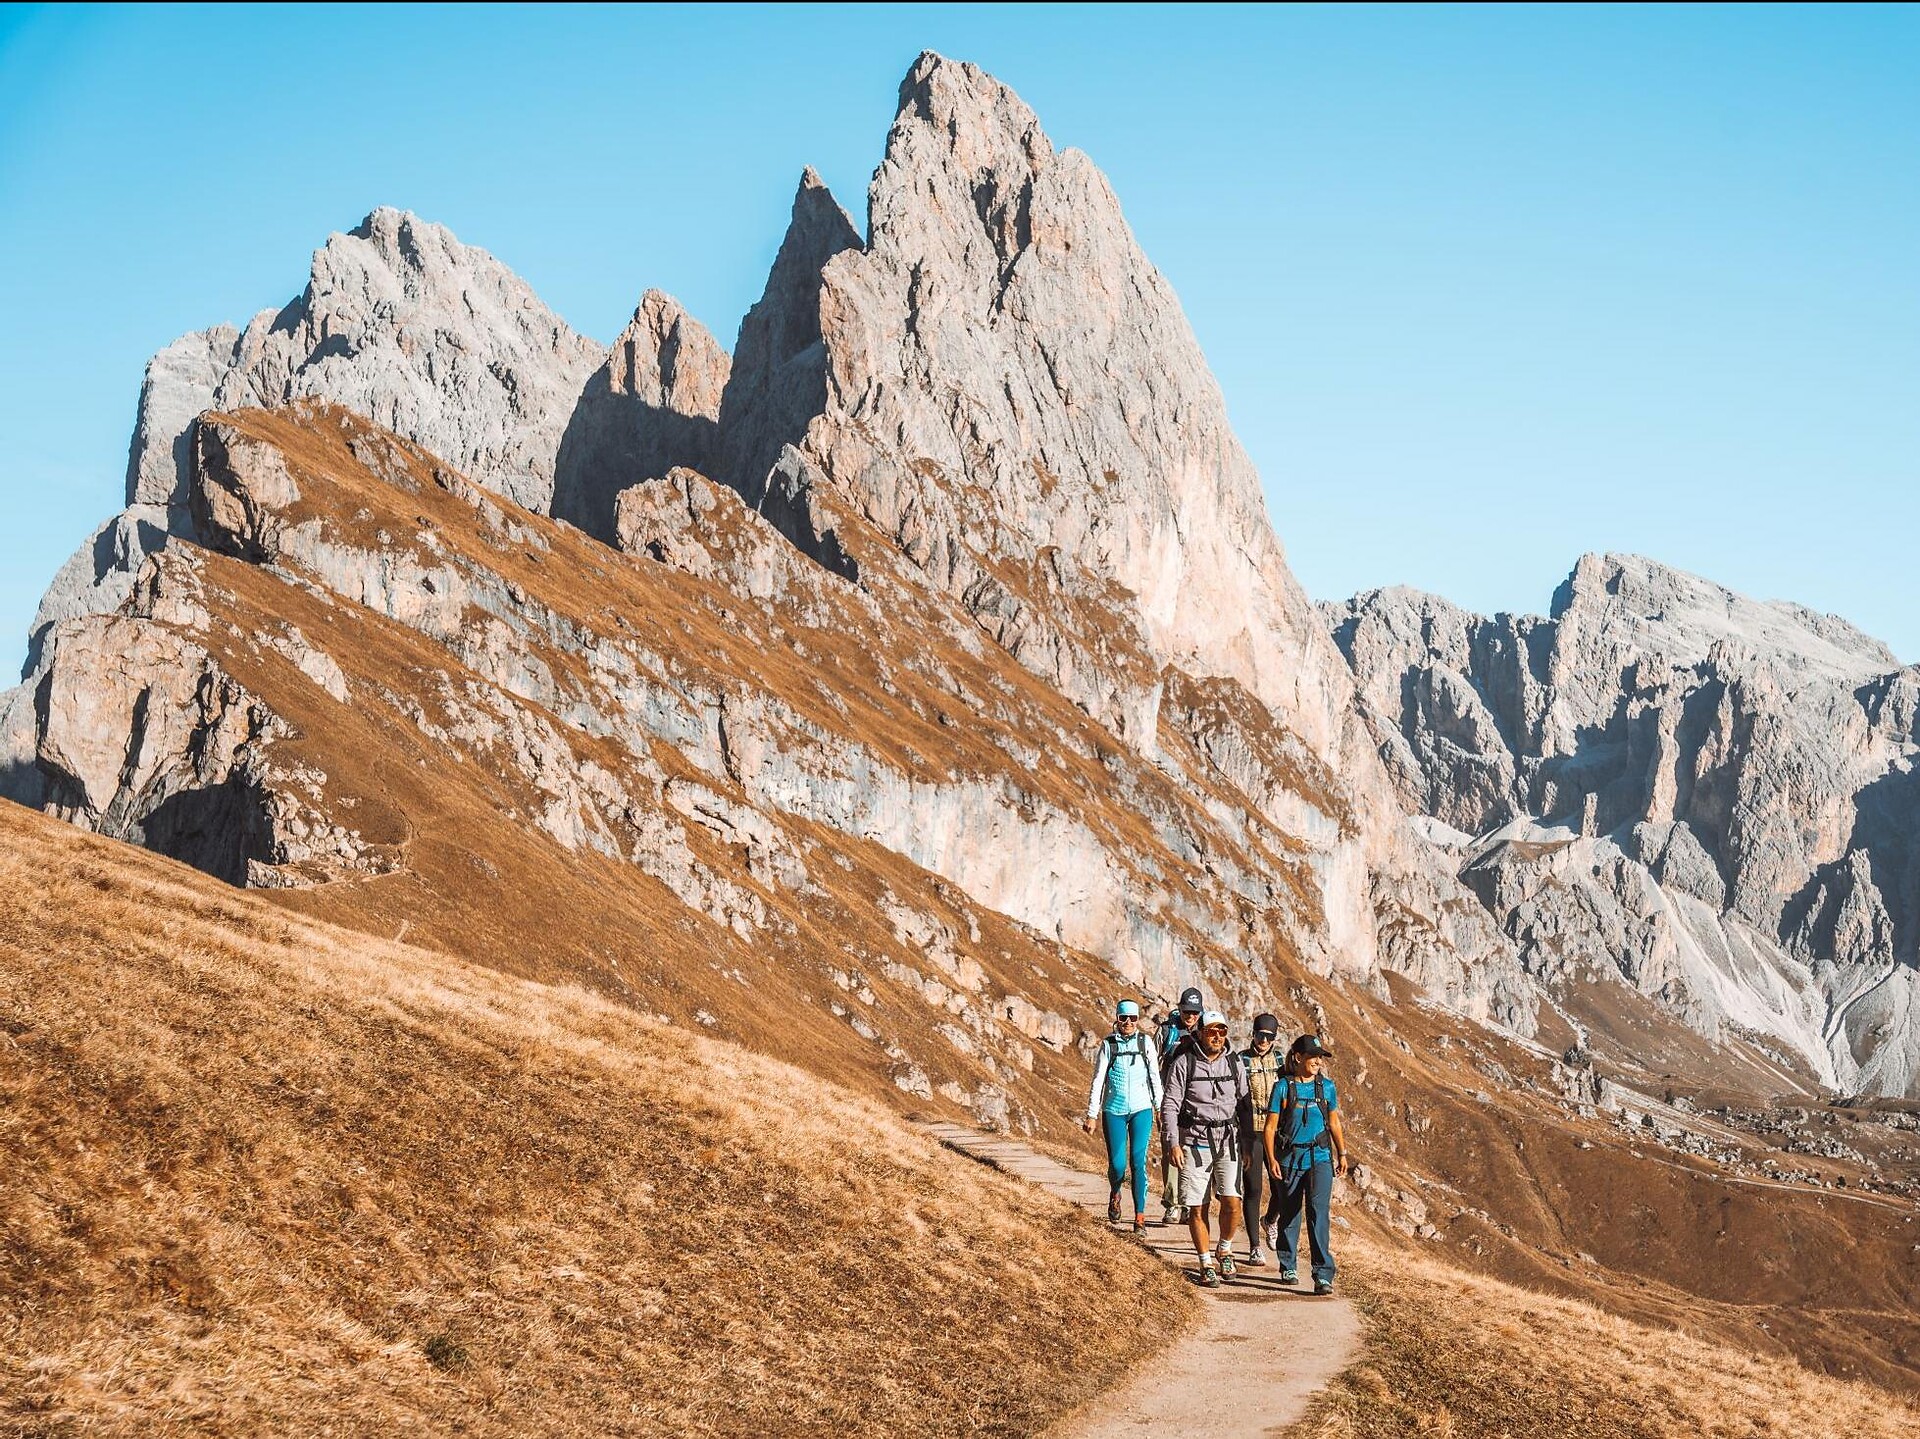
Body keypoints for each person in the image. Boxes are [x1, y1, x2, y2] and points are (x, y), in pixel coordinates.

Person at [1161, 1009, 1249, 1287]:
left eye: (1222, 1031)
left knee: (1232, 1202)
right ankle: (1205, 1262)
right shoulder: (1183, 1063)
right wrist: (1173, 1142)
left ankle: (1225, 1248)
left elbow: (1245, 1105)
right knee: (1198, 1206)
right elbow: (1170, 1105)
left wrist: (1247, 1143)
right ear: (1200, 1032)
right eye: (1212, 1031)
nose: (1217, 1036)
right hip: (1194, 1142)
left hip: (1229, 1142)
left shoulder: (1235, 1064)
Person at [1262, 1033, 1349, 1295]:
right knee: (1289, 1212)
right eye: (1313, 1057)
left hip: (1320, 1157)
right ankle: (1288, 1265)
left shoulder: (1327, 1088)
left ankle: (1323, 1274)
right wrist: (1272, 1158)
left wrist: (1342, 1153)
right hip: (1289, 1158)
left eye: (1320, 1058)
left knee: (1318, 1212)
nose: (1318, 1062)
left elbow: (1333, 1122)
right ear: (1298, 1057)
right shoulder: (1283, 1087)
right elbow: (1270, 1128)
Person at [1082, 999, 1163, 1235]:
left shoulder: (1144, 1042)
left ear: (1138, 1020)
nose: (1127, 1023)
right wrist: (1091, 1114)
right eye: (1123, 1018)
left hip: (1141, 1109)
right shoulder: (1108, 1045)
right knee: (1117, 1165)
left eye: (1133, 1018)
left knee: (1138, 1162)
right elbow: (1098, 1080)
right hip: (1114, 1110)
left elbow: (1154, 1077)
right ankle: (1115, 1192)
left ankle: (1140, 1218)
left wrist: (1159, 1108)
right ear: (1116, 1019)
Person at [1236, 1013, 1286, 1266]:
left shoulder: (1280, 1060)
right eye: (1260, 1035)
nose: (1264, 1040)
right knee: (1253, 1187)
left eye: (1269, 1037)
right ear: (1253, 1033)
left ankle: (1270, 1220)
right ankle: (1255, 1246)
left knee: (1281, 1185)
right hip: (1251, 1131)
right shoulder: (1241, 1059)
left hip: (1275, 1130)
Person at [1154, 987, 1204, 1224]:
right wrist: (1156, 1103)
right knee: (1170, 1149)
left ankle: (1188, 1203)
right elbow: (1152, 1066)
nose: (1190, 1016)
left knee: (1192, 1151)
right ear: (1180, 1009)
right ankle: (1173, 1203)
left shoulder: (1206, 1032)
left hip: (1195, 1102)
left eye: (1195, 1012)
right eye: (1187, 1011)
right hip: (1170, 1099)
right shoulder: (1167, 1031)